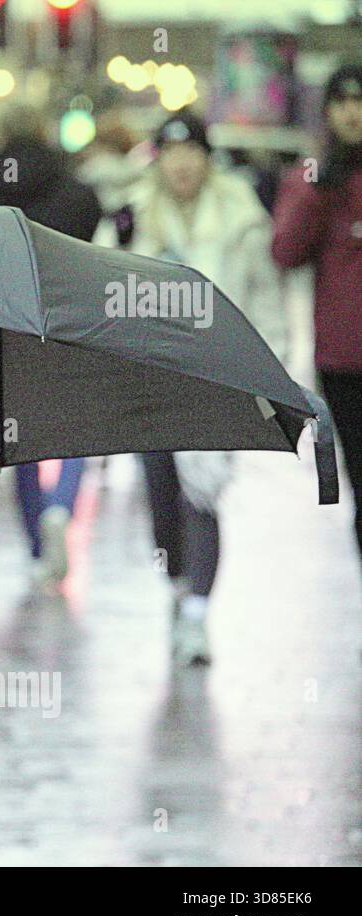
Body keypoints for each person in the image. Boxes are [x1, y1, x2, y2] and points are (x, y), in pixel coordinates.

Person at [101, 110, 289, 665]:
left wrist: (269, 379)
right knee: (161, 498)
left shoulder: (241, 219)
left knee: (202, 496)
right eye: (172, 153)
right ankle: (179, 585)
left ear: (208, 159)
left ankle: (197, 614)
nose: (183, 164)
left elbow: (265, 303)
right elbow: (99, 289)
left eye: (193, 153)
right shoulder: (131, 216)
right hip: (150, 378)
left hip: (218, 378)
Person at [0, 106, 103, 587]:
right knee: (76, 431)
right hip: (70, 320)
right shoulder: (73, 188)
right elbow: (93, 234)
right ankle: (62, 507)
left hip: (12, 321)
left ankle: (35, 547)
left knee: (22, 439)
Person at [272, 63, 362, 576]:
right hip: (344, 363)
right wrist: (319, 188)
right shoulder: (312, 176)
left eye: (360, 100)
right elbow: (285, 250)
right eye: (342, 101)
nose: (353, 112)